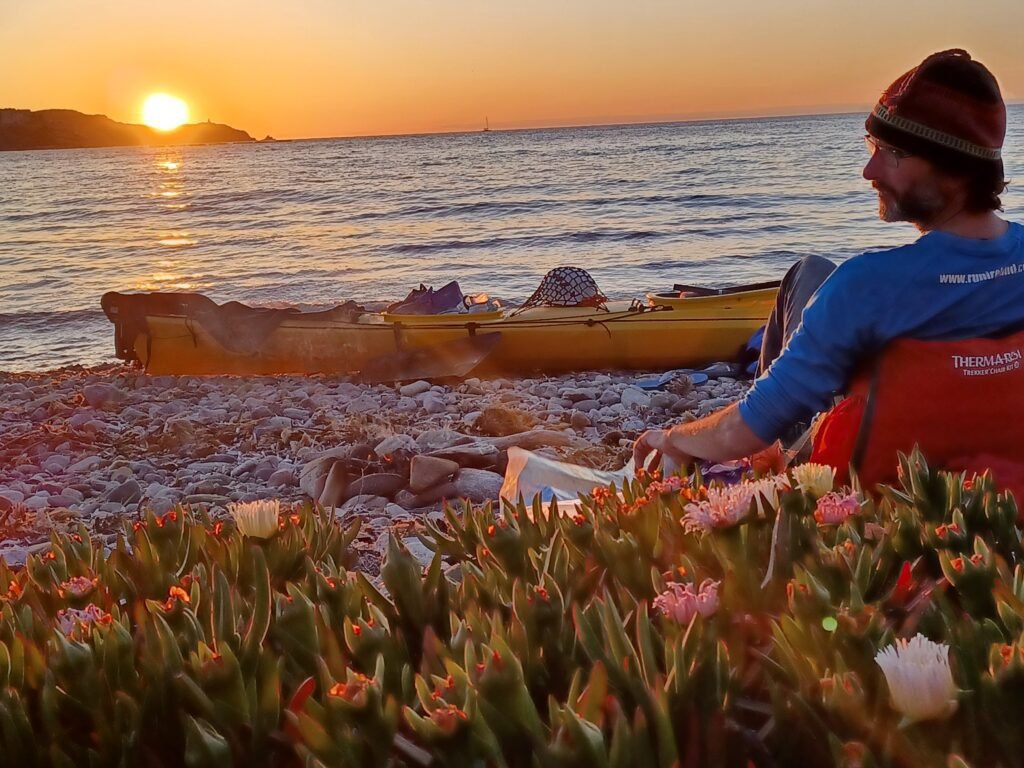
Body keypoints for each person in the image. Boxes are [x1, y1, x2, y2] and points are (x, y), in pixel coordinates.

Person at [634, 49, 1020, 477]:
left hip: (874, 503)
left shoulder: (866, 286)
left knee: (808, 273)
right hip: (993, 491)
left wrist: (673, 437)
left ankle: (768, 466)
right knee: (812, 270)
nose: (869, 170)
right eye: (871, 147)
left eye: (891, 153)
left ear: (955, 168)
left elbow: (746, 429)